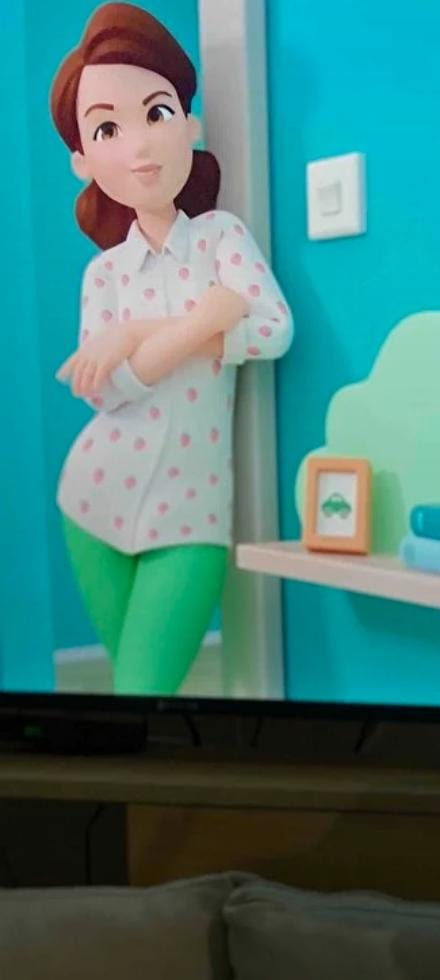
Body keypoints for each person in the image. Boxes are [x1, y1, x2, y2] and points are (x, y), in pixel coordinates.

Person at [50, 2, 293, 696]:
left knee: (140, 687)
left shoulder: (222, 237)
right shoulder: (103, 275)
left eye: (156, 113)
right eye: (107, 128)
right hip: (91, 500)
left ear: (189, 122)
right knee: (136, 697)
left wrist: (135, 336)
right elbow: (104, 390)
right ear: (82, 158)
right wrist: (196, 323)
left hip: (191, 516)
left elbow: (273, 330)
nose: (139, 146)